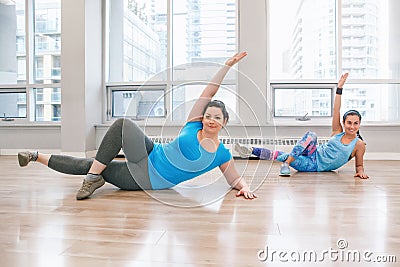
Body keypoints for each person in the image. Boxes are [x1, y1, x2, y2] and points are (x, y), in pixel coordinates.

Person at [18, 52, 257, 200]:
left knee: (90, 165)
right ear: (203, 117)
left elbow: (235, 180)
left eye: (217, 118)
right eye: (209, 115)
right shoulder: (193, 124)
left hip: (148, 178)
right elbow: (208, 92)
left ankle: (36, 156)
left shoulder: (222, 155)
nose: (212, 120)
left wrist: (244, 188)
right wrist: (225, 67)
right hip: (150, 151)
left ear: (224, 123)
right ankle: (92, 177)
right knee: (122, 124)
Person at [235, 73, 369, 179]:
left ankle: (251, 150)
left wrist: (360, 172)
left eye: (355, 123)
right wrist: (339, 89)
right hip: (313, 151)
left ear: (359, 124)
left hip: (314, 165)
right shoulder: (337, 131)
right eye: (349, 122)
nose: (352, 126)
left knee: (281, 155)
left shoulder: (359, 145)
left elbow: (359, 165)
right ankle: (286, 164)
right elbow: (336, 111)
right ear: (344, 123)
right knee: (312, 135)